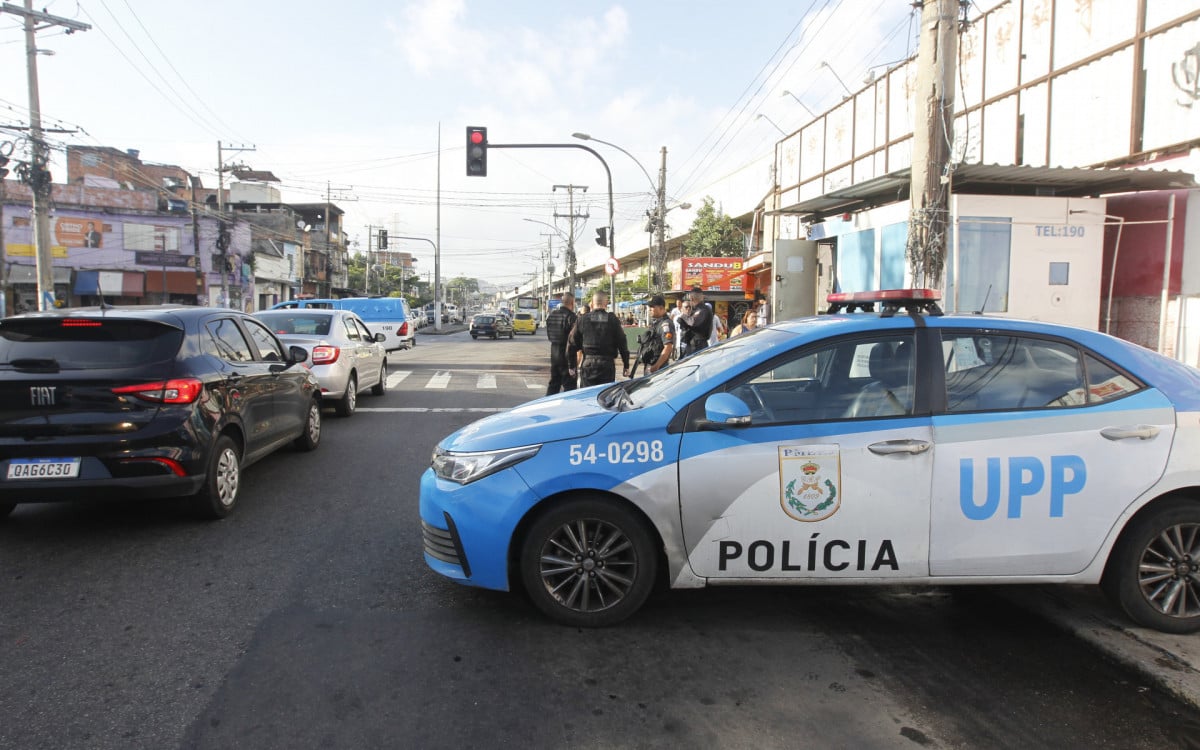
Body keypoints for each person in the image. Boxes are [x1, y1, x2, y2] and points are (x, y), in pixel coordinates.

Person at [567, 290, 629, 387]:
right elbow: (622, 342)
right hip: (607, 365)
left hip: (588, 364)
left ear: (592, 303)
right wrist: (626, 365)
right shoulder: (613, 320)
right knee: (604, 397)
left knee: (587, 396)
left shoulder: (582, 319)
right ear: (606, 303)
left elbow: (571, 343)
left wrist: (571, 366)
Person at [544, 292, 578, 395]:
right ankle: (568, 409)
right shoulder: (572, 317)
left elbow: (549, 335)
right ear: (572, 302)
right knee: (569, 385)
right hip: (567, 355)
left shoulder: (552, 316)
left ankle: (548, 405)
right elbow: (574, 340)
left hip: (554, 353)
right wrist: (572, 364)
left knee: (554, 383)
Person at [639, 295, 675, 374]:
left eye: (652, 307)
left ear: (661, 308)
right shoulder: (656, 323)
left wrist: (657, 366)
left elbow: (668, 347)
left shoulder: (666, 324)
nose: (649, 309)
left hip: (659, 367)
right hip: (650, 364)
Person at [677, 286, 713, 356]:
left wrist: (683, 316)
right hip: (693, 343)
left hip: (698, 344)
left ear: (691, 298)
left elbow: (693, 323)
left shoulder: (703, 310)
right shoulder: (696, 309)